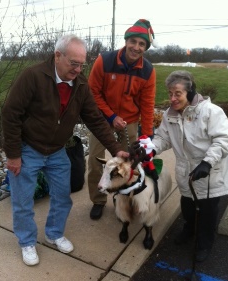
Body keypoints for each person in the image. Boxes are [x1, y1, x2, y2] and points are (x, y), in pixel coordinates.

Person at [1, 34, 129, 266]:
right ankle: (27, 241)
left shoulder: (80, 85)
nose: (79, 69)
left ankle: (54, 233)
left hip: (58, 151)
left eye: (82, 64)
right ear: (57, 56)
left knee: (62, 196)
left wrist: (116, 148)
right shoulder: (33, 77)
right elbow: (11, 116)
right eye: (74, 63)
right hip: (29, 148)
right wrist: (13, 155)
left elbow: (95, 119)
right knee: (23, 201)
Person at [151, 70, 228, 262]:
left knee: (208, 213)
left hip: (209, 174)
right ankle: (189, 228)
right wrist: (149, 149)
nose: (172, 98)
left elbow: (223, 140)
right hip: (186, 175)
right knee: (187, 206)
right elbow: (163, 138)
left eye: (177, 93)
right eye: (170, 94)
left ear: (191, 91)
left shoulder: (210, 112)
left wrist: (207, 162)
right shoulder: (170, 116)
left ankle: (204, 243)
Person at [87, 19, 157, 220]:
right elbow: (92, 93)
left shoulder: (148, 71)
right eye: (133, 41)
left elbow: (147, 104)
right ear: (126, 41)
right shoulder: (105, 61)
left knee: (128, 165)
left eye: (142, 44)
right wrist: (111, 115)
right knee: (95, 161)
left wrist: (148, 135)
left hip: (131, 122)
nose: (136, 47)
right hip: (102, 121)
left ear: (145, 47)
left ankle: (122, 200)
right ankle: (98, 200)